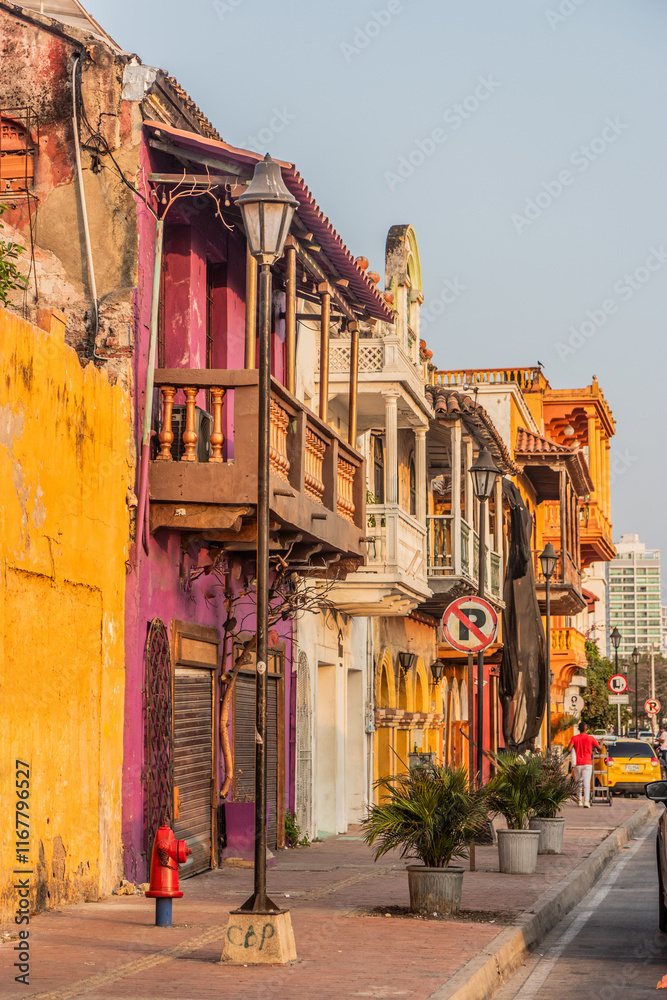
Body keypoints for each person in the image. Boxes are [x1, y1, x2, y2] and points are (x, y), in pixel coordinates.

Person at [567, 722, 601, 808]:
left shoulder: (574, 738)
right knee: (586, 783)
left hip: (577, 764)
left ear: (579, 729)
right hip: (587, 763)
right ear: (586, 729)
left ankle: (579, 801)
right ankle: (586, 801)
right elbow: (599, 748)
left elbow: (569, 749)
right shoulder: (591, 738)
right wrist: (602, 743)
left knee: (578, 782)